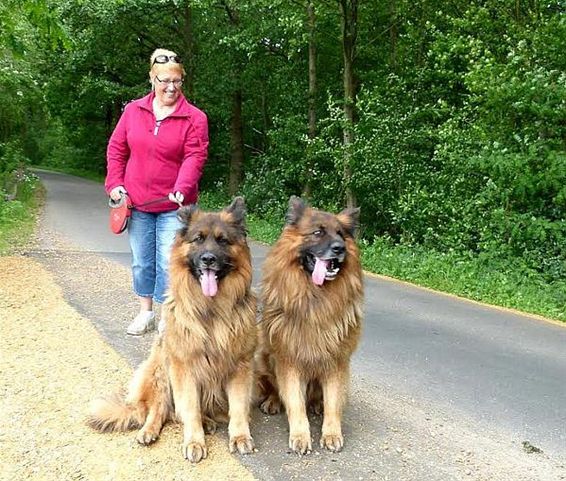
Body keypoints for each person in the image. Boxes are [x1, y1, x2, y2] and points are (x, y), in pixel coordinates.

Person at [105, 48, 209, 336]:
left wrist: (182, 188)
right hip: (136, 203)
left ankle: (167, 318)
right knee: (141, 261)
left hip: (174, 206)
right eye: (164, 80)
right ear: (152, 78)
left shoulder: (194, 117)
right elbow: (116, 150)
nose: (171, 87)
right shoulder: (133, 111)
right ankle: (145, 313)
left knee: (169, 261)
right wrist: (115, 184)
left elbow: (195, 156)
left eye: (177, 81)